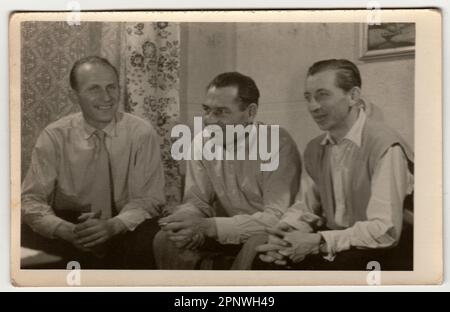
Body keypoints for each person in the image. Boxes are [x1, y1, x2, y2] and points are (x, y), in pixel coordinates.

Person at [255, 59, 414, 270]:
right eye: (308, 97)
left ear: (353, 96)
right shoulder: (315, 148)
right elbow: (306, 208)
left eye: (322, 95)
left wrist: (320, 242)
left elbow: (385, 231)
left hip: (385, 249)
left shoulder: (385, 145)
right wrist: (284, 233)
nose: (313, 106)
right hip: (339, 244)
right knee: (266, 263)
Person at [21, 56, 165, 269]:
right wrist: (65, 230)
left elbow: (150, 199)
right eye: (94, 89)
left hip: (124, 223)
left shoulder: (141, 133)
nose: (106, 97)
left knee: (151, 238)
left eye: (111, 87)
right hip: (71, 224)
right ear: (75, 95)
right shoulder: (54, 135)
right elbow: (31, 200)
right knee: (22, 238)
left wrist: (113, 226)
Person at [153, 72, 302, 269]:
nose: (209, 120)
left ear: (250, 112)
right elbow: (197, 201)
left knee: (257, 242)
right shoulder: (201, 142)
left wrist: (209, 227)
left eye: (221, 112)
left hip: (267, 233)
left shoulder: (277, 143)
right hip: (225, 230)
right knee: (166, 238)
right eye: (206, 110)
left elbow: (276, 217)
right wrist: (188, 220)